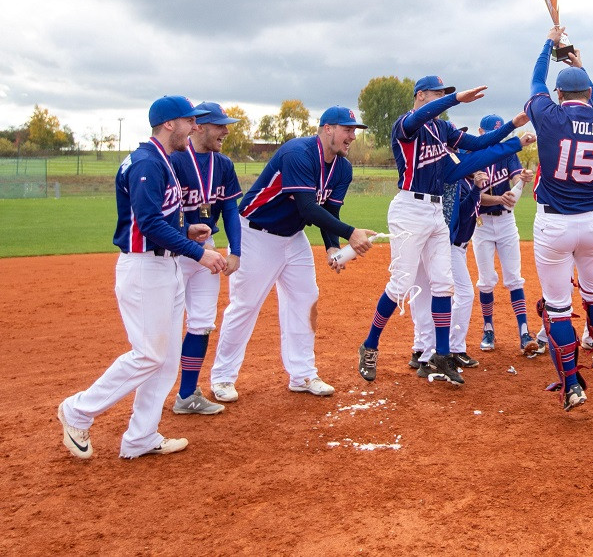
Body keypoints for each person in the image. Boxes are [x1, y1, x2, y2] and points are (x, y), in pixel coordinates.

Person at [57, 96, 227, 459]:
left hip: (164, 267)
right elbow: (147, 224)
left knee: (165, 358)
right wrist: (200, 252)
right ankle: (78, 411)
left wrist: (188, 228)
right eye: (189, 121)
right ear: (170, 124)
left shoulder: (160, 159)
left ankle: (141, 436)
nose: (195, 127)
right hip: (144, 267)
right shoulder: (147, 163)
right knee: (149, 354)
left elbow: (159, 217)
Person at [358, 76, 527, 385]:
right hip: (409, 206)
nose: (441, 98)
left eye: (444, 94)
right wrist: (456, 99)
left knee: (443, 285)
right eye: (436, 93)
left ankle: (441, 356)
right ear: (420, 95)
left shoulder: (443, 130)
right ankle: (370, 346)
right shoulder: (406, 125)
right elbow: (420, 116)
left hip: (436, 211)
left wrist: (513, 129)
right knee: (400, 284)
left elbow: (477, 147)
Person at [209, 106, 375, 402]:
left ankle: (302, 374)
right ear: (327, 129)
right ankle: (222, 377)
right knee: (245, 306)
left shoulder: (343, 168)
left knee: (306, 299)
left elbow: (329, 209)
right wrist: (351, 233)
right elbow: (307, 208)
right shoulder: (297, 153)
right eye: (347, 129)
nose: (352, 136)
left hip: (293, 236)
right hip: (256, 233)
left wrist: (333, 246)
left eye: (354, 130)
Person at [527, 26, 593, 411]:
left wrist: (547, 45)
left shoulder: (549, 116)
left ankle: (571, 384)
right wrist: (583, 68)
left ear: (560, 95)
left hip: (554, 222)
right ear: (587, 93)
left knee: (558, 306)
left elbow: (536, 82)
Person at [409, 134, 536, 378]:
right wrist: (480, 191)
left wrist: (477, 189)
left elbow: (468, 208)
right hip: (444, 245)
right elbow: (460, 213)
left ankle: (431, 351)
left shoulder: (464, 181)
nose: (461, 153)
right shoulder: (452, 178)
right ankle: (434, 352)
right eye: (455, 149)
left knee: (427, 295)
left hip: (450, 245)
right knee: (446, 294)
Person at [169, 102, 244, 415]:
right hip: (171, 249)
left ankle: (187, 395)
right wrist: (186, 230)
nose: (225, 131)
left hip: (207, 251)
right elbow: (160, 215)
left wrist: (235, 250)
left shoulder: (223, 164)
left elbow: (229, 210)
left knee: (201, 323)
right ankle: (147, 402)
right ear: (198, 125)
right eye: (220, 125)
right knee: (165, 326)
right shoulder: (172, 159)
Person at [471, 114, 538, 355]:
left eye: (501, 133)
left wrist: (522, 179)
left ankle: (524, 332)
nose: (498, 138)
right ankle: (488, 329)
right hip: (481, 224)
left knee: (513, 278)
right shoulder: (474, 156)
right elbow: (474, 196)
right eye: (493, 133)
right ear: (481, 132)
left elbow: (514, 177)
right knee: (487, 279)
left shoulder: (508, 153)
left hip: (506, 223)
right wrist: (500, 198)